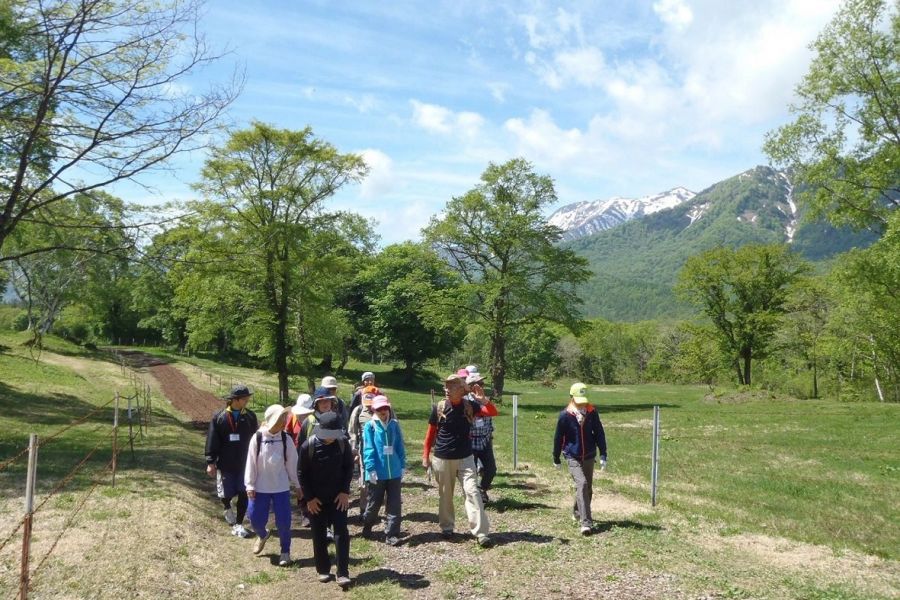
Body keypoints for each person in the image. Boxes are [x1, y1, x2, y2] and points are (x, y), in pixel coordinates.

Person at [422, 374, 498, 547]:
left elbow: (493, 412)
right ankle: (447, 527)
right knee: (445, 495)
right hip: (442, 458)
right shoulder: (439, 407)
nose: (447, 390)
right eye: (446, 387)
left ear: (461, 390)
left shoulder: (470, 405)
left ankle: (481, 533)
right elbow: (430, 435)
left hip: (466, 457)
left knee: (473, 492)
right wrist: (425, 456)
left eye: (451, 387)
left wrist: (483, 400)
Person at [299, 411, 354, 589]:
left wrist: (345, 492)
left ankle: (343, 572)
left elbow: (348, 468)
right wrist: (309, 499)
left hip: (338, 498)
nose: (333, 438)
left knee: (341, 534)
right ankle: (323, 569)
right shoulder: (308, 446)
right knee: (319, 535)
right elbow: (302, 474)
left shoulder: (342, 443)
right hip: (316, 500)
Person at [245, 404, 302, 566]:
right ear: (273, 420)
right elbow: (251, 462)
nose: (284, 420)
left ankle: (285, 551)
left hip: (281, 488)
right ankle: (262, 534)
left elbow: (293, 464)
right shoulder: (258, 438)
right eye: (281, 418)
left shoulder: (286, 439)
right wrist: (249, 485)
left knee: (284, 522)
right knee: (254, 518)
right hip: (260, 487)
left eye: (285, 417)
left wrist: (297, 485)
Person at [552, 382, 608, 536]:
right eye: (578, 399)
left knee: (587, 489)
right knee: (582, 484)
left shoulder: (592, 412)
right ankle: (586, 523)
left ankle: (577, 512)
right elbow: (558, 438)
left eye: (584, 399)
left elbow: (599, 433)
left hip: (589, 455)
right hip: (572, 455)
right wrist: (556, 457)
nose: (582, 403)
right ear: (571, 397)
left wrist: (603, 453)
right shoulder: (565, 415)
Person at [205, 384, 258, 538]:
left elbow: (256, 439)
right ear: (236, 399)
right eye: (245, 398)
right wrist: (210, 462)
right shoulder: (219, 417)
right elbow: (212, 440)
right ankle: (227, 507)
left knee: (243, 493)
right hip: (226, 464)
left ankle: (239, 524)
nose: (248, 399)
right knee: (225, 493)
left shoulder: (250, 416)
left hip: (245, 464)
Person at [361, 394, 406, 546]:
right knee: (374, 502)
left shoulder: (394, 424)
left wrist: (402, 465)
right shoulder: (370, 426)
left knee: (394, 503)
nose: (383, 411)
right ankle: (368, 525)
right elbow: (368, 448)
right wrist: (370, 468)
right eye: (379, 409)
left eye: (385, 408)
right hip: (377, 473)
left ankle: (392, 534)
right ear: (374, 410)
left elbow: (399, 446)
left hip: (393, 472)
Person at [348, 386, 378, 518]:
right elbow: (352, 432)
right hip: (364, 450)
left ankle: (377, 508)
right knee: (364, 479)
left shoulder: (385, 409)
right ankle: (363, 509)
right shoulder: (358, 410)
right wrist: (354, 450)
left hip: (381, 451)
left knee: (379, 479)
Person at [466, 371, 496, 503]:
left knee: (491, 469)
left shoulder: (483, 399)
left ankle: (482, 489)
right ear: (472, 386)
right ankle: (473, 497)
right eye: (479, 383)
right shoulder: (466, 401)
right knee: (470, 472)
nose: (482, 386)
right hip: (470, 441)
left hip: (485, 440)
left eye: (482, 383)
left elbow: (493, 413)